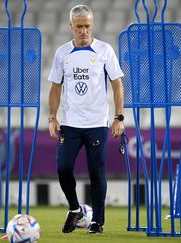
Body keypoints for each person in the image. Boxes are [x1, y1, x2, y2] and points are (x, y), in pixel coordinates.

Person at [47, 5, 124, 234]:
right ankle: (74, 209)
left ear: (92, 25)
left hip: (97, 124)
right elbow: (55, 87)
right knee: (63, 168)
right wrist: (52, 117)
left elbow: (117, 84)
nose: (84, 31)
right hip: (70, 123)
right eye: (79, 26)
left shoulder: (104, 50)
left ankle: (97, 222)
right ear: (71, 26)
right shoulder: (62, 53)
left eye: (87, 26)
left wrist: (119, 117)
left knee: (96, 171)